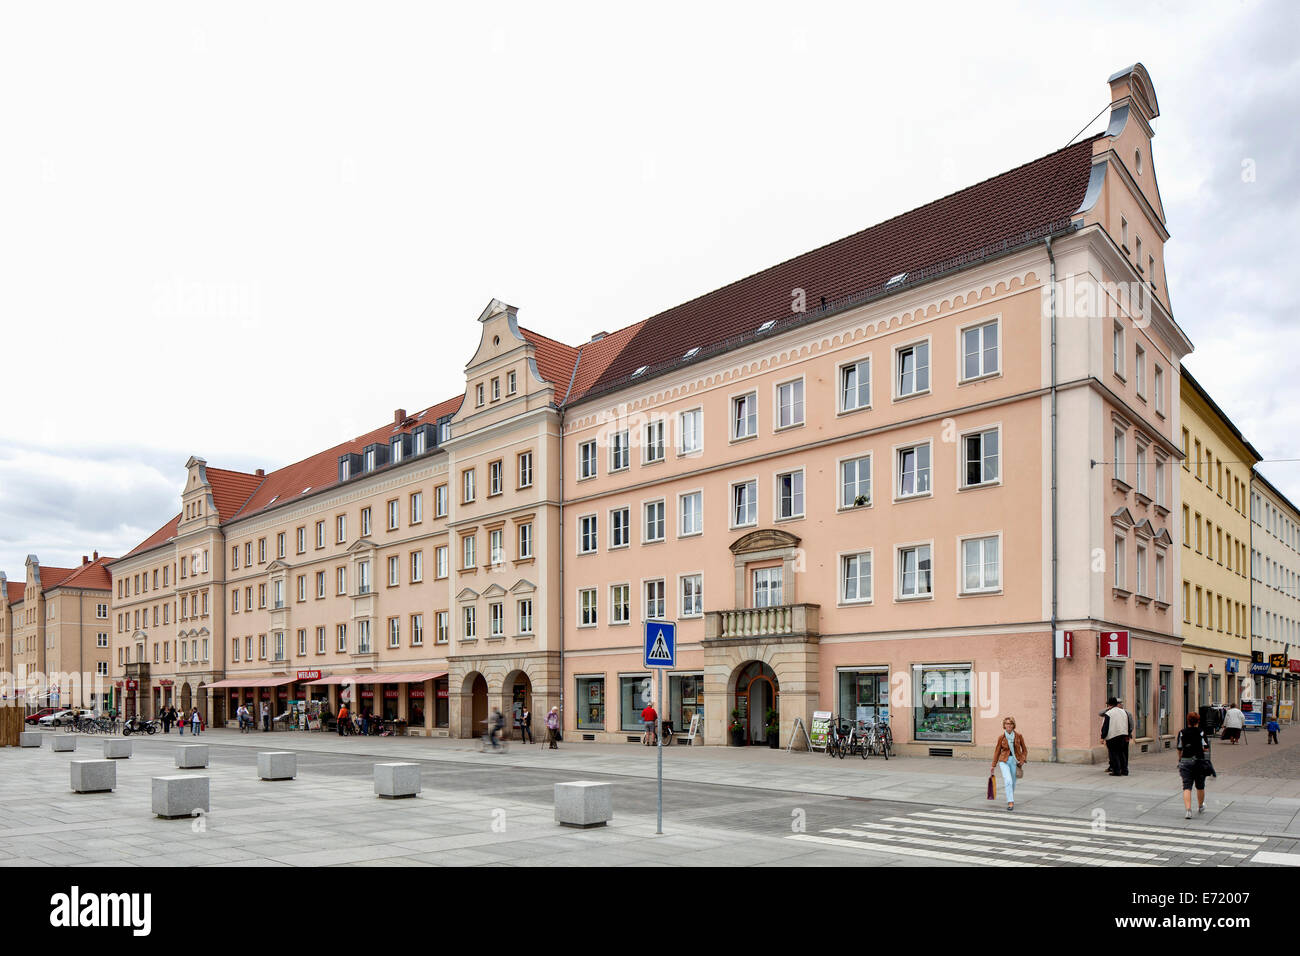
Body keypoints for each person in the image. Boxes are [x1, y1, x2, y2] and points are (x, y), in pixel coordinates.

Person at [1176, 712, 1212, 819]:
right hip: (1199, 761)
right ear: (1198, 721)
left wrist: (1180, 758)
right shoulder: (1201, 732)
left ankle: (1188, 810)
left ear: (1187, 721)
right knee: (1200, 785)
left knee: (1187, 786)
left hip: (1185, 761)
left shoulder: (1182, 732)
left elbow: (1179, 748)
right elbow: (1206, 747)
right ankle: (1200, 806)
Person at [990, 716, 1027, 811]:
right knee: (1008, 781)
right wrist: (993, 765)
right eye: (1007, 723)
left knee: (1013, 782)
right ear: (1004, 725)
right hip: (1004, 761)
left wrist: (1022, 760)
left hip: (1015, 761)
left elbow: (1024, 750)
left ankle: (1010, 796)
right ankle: (1010, 801)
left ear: (1013, 725)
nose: (1009, 725)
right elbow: (997, 751)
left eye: (1010, 723)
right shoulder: (1001, 737)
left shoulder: (1019, 736)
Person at [1100, 697, 1130, 775]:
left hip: (1113, 736)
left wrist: (1102, 737)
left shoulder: (1109, 713)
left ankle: (1116, 771)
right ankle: (1125, 770)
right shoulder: (1124, 712)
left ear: (1109, 705)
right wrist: (1128, 734)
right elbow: (1128, 723)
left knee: (1114, 754)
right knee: (1121, 753)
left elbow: (1105, 726)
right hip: (1123, 735)